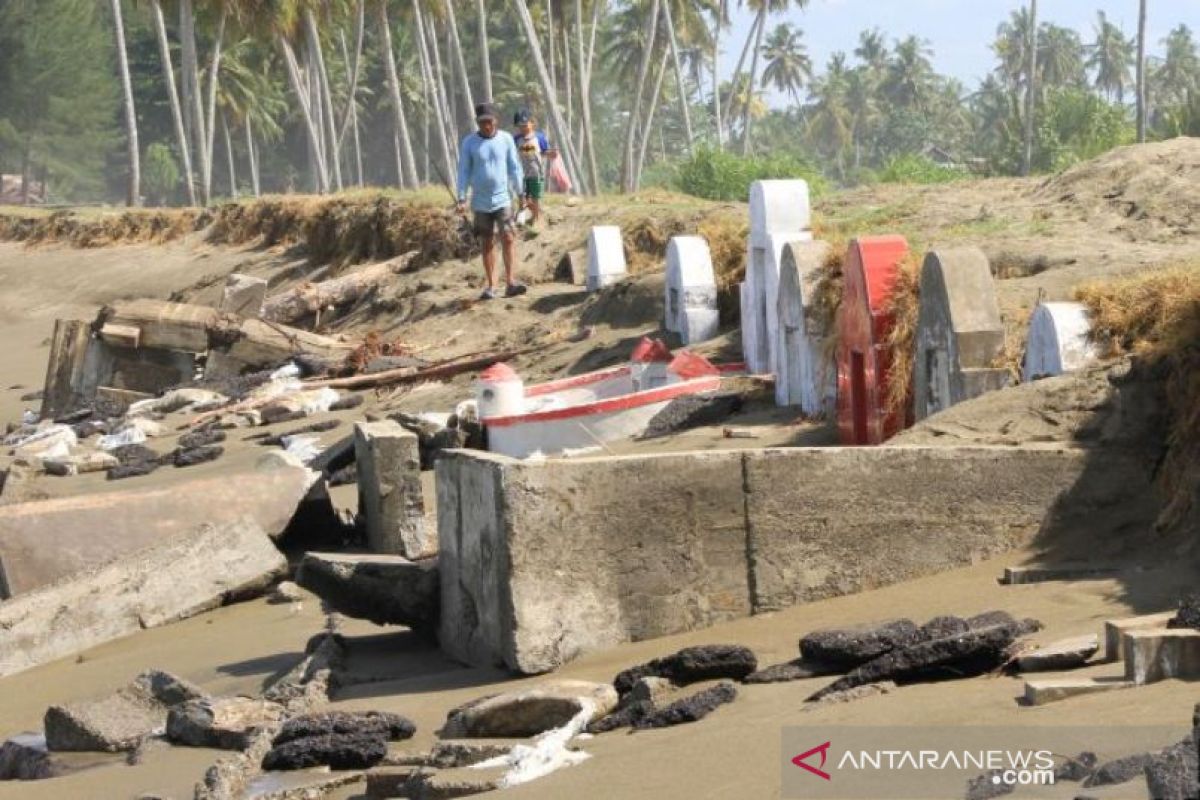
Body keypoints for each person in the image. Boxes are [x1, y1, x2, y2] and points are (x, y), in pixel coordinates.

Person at [455, 102, 526, 300]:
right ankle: (491, 285)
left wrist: (521, 193)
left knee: (509, 237)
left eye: (489, 121)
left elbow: (514, 168)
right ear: (478, 123)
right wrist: (461, 197)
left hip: (503, 198)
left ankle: (511, 282)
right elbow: (464, 171)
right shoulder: (469, 142)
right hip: (480, 201)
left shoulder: (505, 140)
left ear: (496, 120)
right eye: (482, 122)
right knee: (486, 242)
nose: (486, 125)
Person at [513, 109, 556, 225]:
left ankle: (536, 218)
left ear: (532, 123)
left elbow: (543, 151)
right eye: (520, 126)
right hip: (521, 173)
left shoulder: (539, 137)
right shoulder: (516, 139)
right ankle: (528, 213)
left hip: (535, 172)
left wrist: (551, 153)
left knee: (535, 198)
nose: (523, 128)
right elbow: (513, 153)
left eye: (525, 125)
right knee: (523, 197)